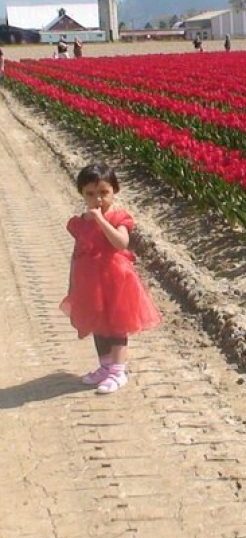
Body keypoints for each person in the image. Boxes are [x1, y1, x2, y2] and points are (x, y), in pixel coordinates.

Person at [60, 164, 161, 394]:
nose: (98, 199)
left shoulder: (118, 217)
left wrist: (101, 221)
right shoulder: (80, 222)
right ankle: (105, 366)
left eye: (104, 192)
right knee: (97, 324)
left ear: (114, 191)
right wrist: (73, 283)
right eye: (90, 194)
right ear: (82, 194)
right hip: (90, 282)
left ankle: (118, 371)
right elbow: (77, 253)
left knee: (117, 324)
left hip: (116, 280)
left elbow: (121, 243)